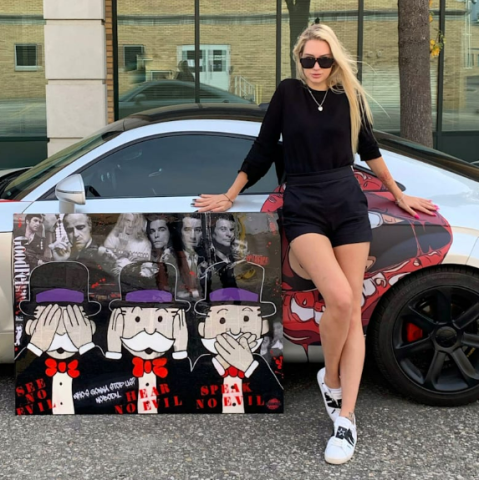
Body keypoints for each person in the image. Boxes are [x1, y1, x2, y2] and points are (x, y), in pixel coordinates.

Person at [193, 24, 438, 463]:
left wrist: (398, 195)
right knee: (340, 299)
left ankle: (345, 418)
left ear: (335, 61)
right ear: (298, 60)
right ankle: (332, 379)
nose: (316, 67)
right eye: (308, 60)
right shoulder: (288, 93)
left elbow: (370, 150)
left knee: (353, 311)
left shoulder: (349, 98)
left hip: (348, 205)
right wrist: (230, 194)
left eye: (324, 60)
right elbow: (263, 148)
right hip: (303, 205)